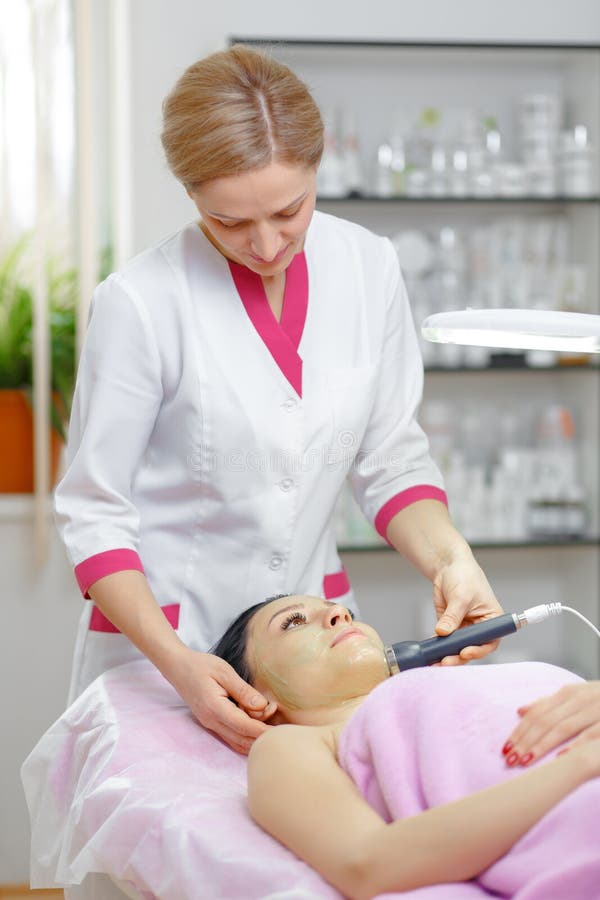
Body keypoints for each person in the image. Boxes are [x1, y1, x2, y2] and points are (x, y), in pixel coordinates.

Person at [54, 44, 503, 756]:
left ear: (318, 165)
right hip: (168, 650)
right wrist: (178, 664)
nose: (265, 244)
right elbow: (94, 511)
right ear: (192, 192)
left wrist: (451, 560)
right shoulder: (140, 303)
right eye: (229, 222)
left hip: (312, 657)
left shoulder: (368, 266)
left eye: (289, 210)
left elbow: (390, 460)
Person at [213, 593, 600, 899]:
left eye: (341, 610)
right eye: (293, 622)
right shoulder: (292, 745)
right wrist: (580, 764)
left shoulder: (468, 681)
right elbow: (367, 865)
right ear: (251, 694)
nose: (340, 616)